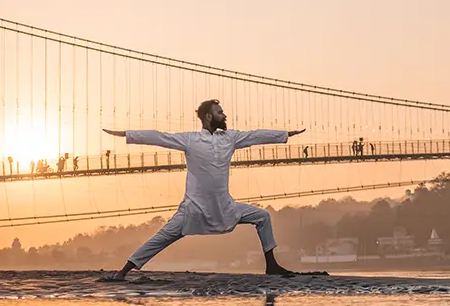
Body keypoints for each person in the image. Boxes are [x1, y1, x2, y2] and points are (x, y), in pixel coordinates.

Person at [103, 99, 308, 280]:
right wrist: (126, 134)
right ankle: (123, 271)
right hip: (194, 208)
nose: (224, 115)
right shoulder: (190, 140)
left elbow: (256, 136)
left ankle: (271, 265)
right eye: (220, 112)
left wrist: (285, 134)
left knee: (262, 216)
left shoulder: (230, 138)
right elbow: (160, 137)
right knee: (162, 237)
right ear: (209, 116)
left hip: (224, 207)